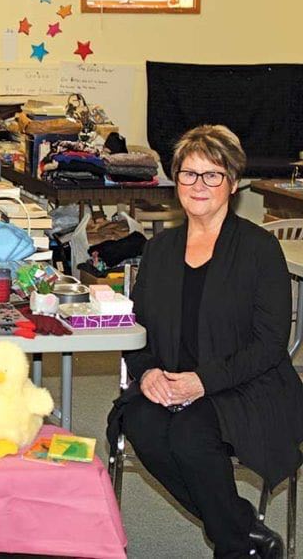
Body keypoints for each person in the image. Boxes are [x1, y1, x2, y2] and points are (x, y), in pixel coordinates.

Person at [107, 125, 303, 559]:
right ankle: (243, 529)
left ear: (232, 184)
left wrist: (202, 381)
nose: (199, 186)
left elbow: (270, 343)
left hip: (245, 385)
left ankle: (234, 548)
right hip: (170, 378)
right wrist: (149, 371)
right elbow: (134, 327)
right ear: (175, 181)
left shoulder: (259, 249)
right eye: (189, 174)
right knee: (140, 425)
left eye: (212, 175)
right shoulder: (159, 250)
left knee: (190, 439)